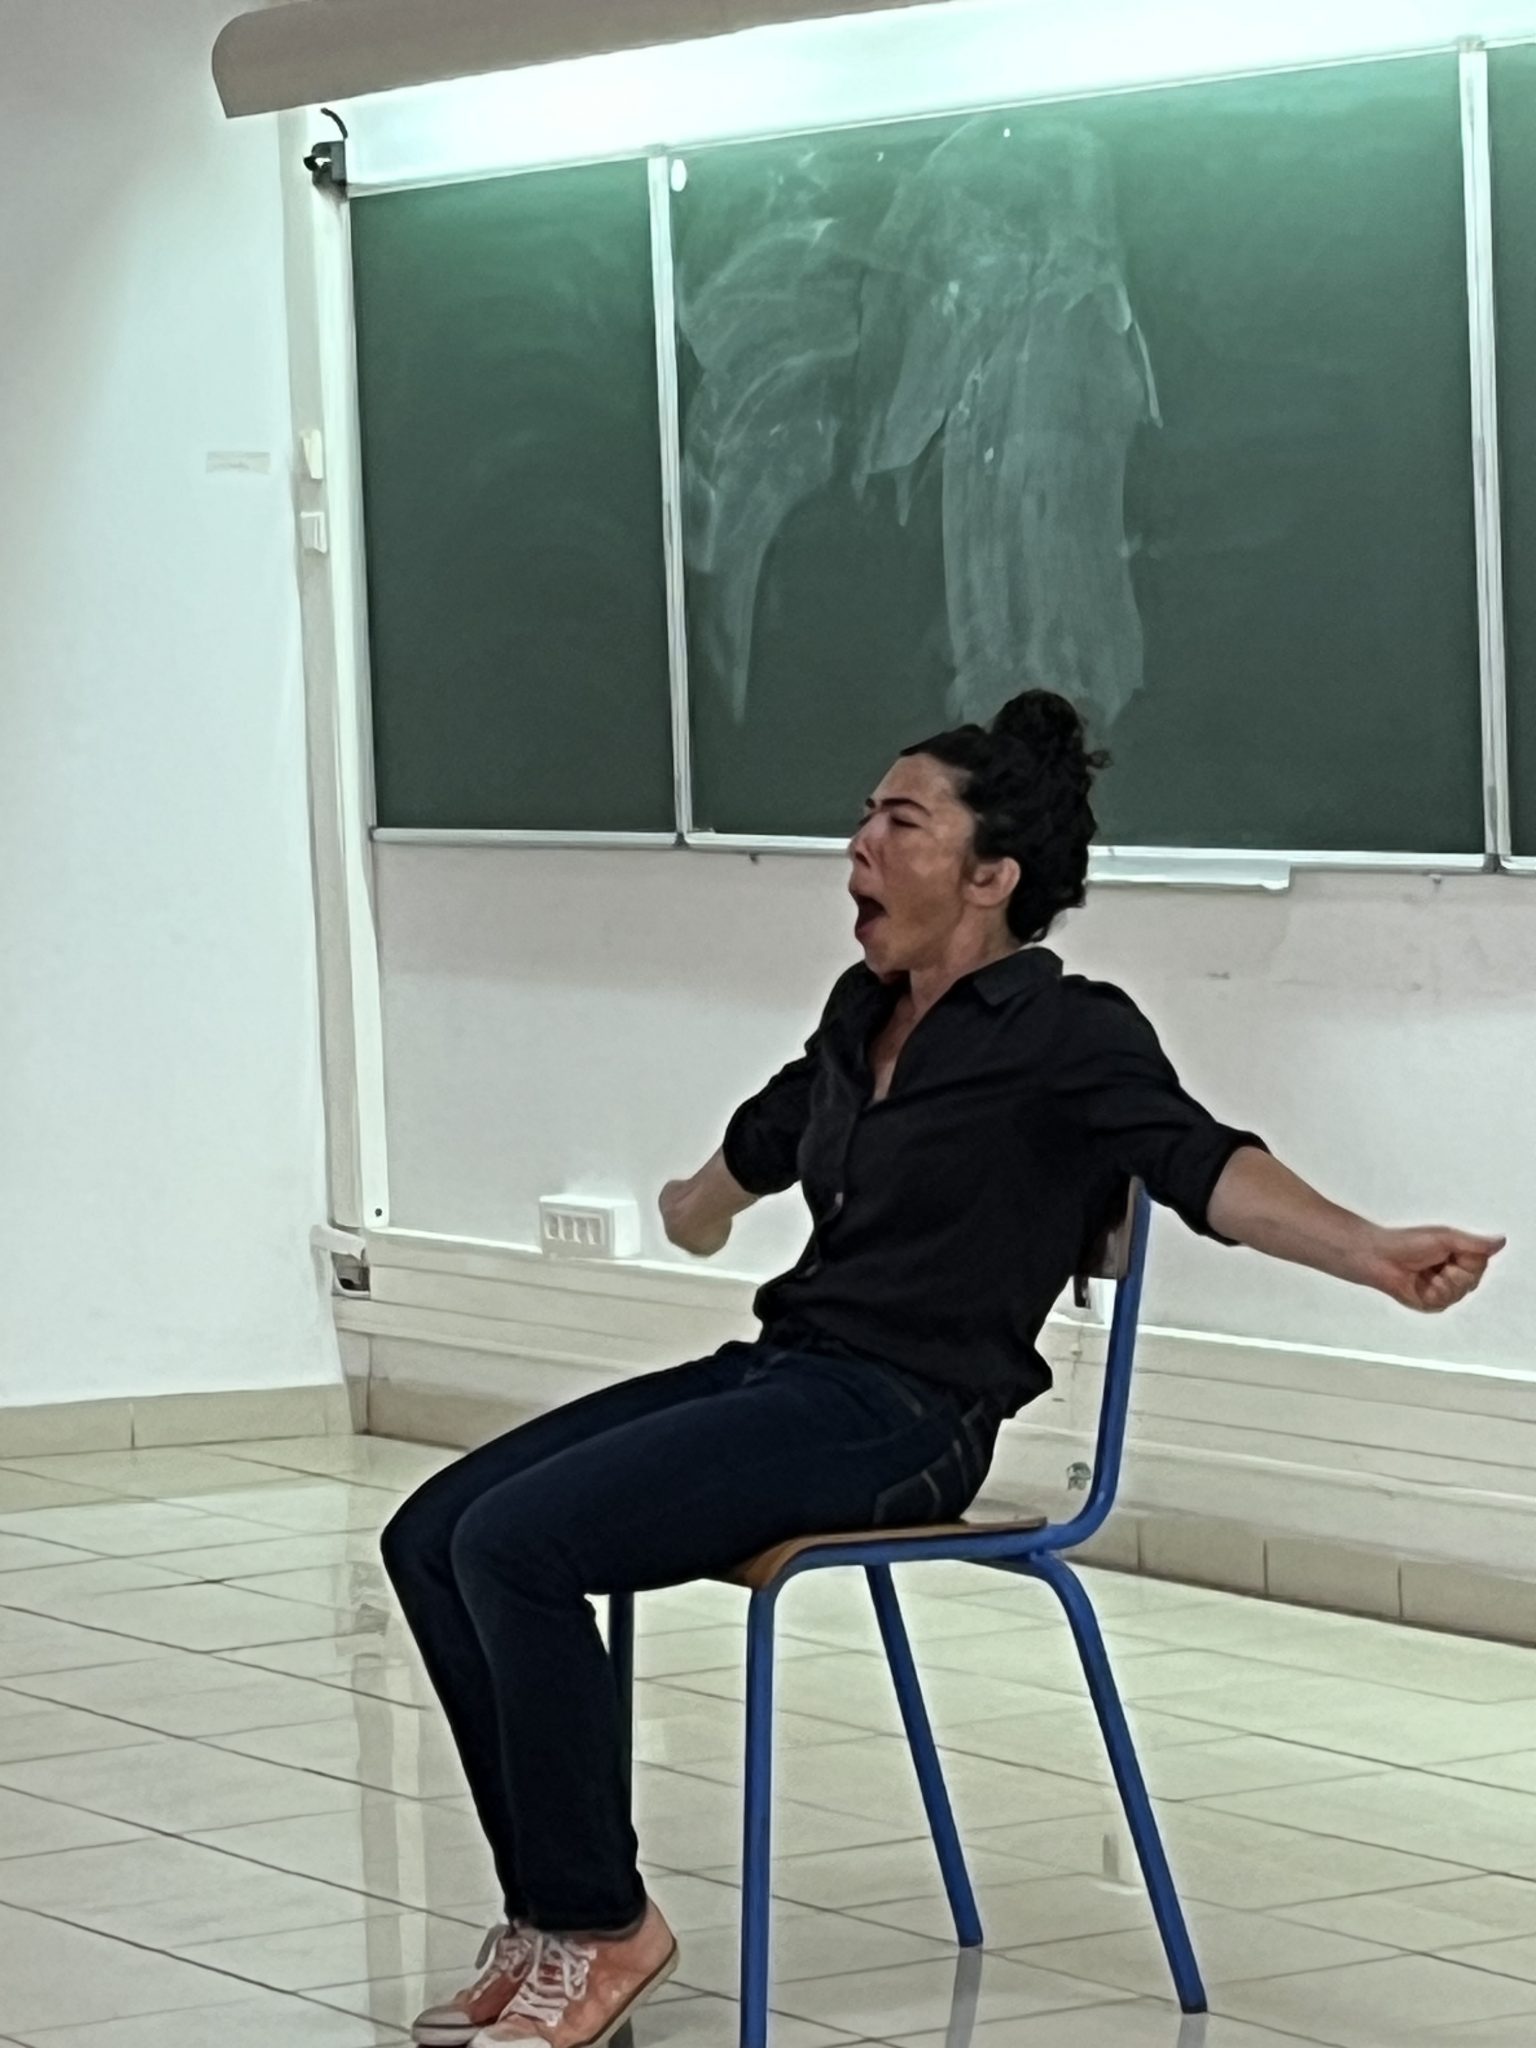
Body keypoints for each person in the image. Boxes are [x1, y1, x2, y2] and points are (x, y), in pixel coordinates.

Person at [383, 690, 1503, 2048]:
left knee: (517, 1545)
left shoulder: (1068, 1032)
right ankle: (551, 1916)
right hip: (787, 1374)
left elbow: (1203, 1163)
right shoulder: (863, 1013)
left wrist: (1369, 1248)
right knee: (431, 1534)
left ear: (990, 876)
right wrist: (696, 1206)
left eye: (900, 821)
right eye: (867, 814)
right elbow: (774, 1131)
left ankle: (602, 1925)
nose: (860, 842)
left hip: (908, 1415)